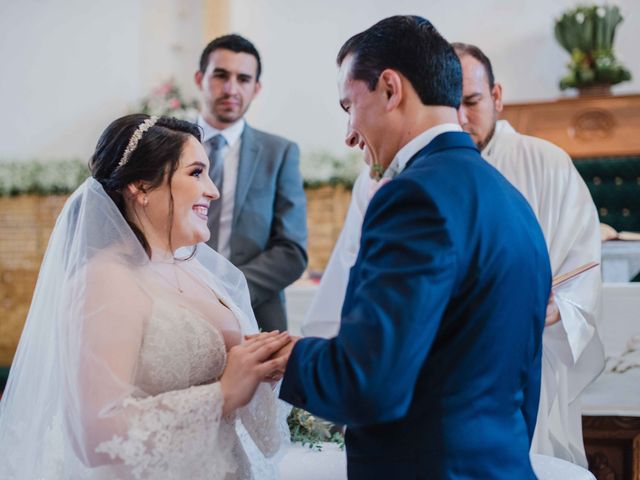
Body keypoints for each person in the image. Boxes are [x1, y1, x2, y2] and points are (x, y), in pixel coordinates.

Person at [302, 38, 604, 469]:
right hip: (497, 437)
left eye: (349, 107)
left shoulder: (418, 191)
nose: (461, 117)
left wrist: (292, 363)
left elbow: (378, 372)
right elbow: (357, 289)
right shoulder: (503, 194)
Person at [0, 114, 291, 479]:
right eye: (196, 172)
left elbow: (229, 369)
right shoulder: (106, 280)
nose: (213, 190)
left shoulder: (192, 269)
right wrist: (223, 395)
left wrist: (264, 361)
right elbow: (91, 435)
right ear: (140, 186)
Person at [453, 42, 603, 467]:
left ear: (497, 96)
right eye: (451, 104)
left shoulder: (547, 163)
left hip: (524, 358)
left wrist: (558, 308)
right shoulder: (422, 171)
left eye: (473, 101)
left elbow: (581, 267)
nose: (462, 117)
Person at [195, 34, 307, 332]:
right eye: (220, 75)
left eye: (243, 79)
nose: (231, 89)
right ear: (199, 79)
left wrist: (229, 290)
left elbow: (293, 250)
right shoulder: (165, 146)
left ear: (256, 88)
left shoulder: (279, 153)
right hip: (171, 303)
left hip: (254, 315)